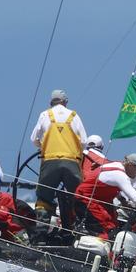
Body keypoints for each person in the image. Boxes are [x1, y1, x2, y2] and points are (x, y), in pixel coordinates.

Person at [29, 89, 87, 225]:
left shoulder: (45, 115)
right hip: (72, 162)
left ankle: (41, 232)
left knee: (44, 197)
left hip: (50, 162)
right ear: (65, 102)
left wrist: (44, 146)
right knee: (77, 196)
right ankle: (79, 228)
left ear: (51, 102)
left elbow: (33, 139)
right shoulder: (73, 115)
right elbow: (84, 141)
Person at [75, 153, 136, 238]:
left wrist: (122, 200)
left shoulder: (117, 166)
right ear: (131, 165)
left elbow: (109, 184)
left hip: (98, 202)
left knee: (113, 227)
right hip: (86, 201)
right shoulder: (120, 175)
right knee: (104, 231)